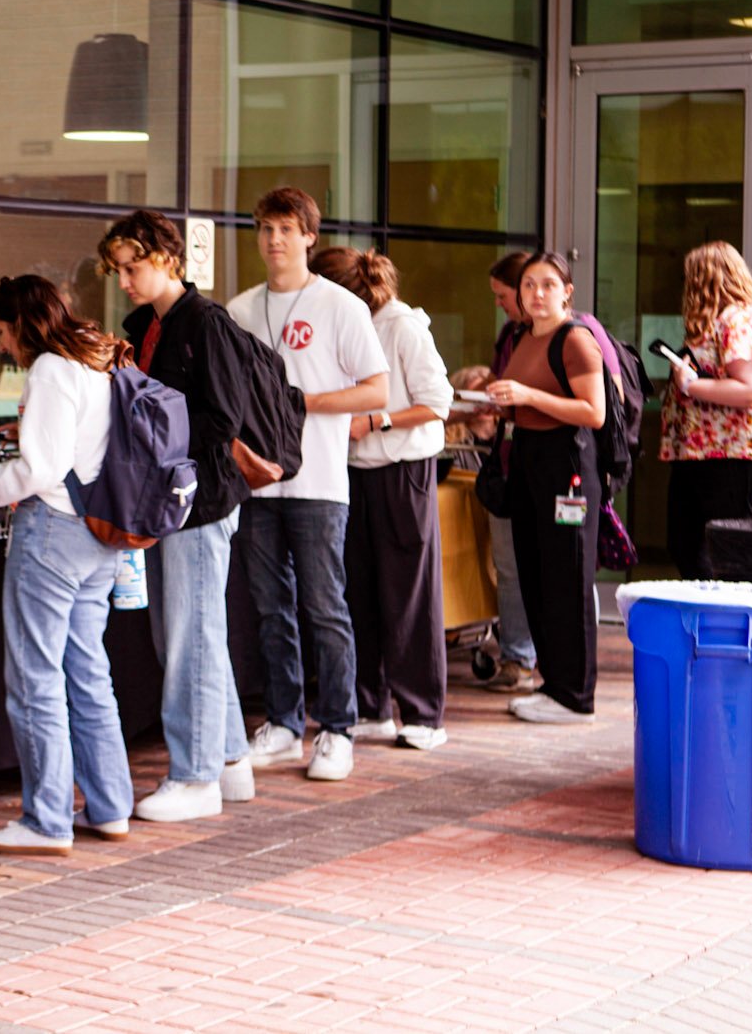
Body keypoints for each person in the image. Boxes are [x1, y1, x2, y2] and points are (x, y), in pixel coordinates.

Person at [0, 275, 134, 855]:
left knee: (35, 678)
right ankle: (109, 807)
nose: (2, 345)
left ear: (22, 325)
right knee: (88, 672)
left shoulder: (51, 370)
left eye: (3, 331)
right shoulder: (94, 359)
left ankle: (47, 820)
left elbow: (40, 470)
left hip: (52, 535)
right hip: (97, 537)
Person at [99, 210, 261, 822]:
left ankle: (196, 776)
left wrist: (149, 423)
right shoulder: (143, 324)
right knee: (190, 632)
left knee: (189, 633)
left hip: (199, 498)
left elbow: (222, 419)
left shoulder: (206, 323)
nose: (124, 280)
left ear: (167, 258)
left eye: (132, 267)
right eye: (118, 269)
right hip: (168, 496)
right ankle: (228, 759)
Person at [223, 189, 388, 784]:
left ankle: (337, 729)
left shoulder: (339, 306)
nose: (274, 240)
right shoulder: (240, 310)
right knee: (270, 609)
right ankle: (286, 723)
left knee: (324, 608)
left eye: (287, 229)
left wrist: (301, 404)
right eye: (265, 228)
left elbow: (377, 391)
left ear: (310, 237)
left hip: (320, 481)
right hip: (259, 486)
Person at [314, 247, 453, 751]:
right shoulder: (344, 325)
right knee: (359, 591)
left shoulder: (401, 325)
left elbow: (438, 402)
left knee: (409, 594)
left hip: (403, 471)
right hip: (351, 472)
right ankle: (369, 706)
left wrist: (375, 420)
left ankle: (423, 714)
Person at [484, 252, 607, 724]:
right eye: (528, 285)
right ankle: (553, 684)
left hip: (568, 465)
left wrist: (527, 396)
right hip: (530, 458)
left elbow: (592, 412)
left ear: (567, 291)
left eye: (547, 285)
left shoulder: (575, 339)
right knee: (535, 573)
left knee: (568, 577)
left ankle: (576, 695)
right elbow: (526, 402)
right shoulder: (522, 337)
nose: (536, 294)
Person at [662, 241, 752, 579]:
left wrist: (691, 385)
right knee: (686, 543)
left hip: (733, 453)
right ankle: (707, 618)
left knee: (723, 550)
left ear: (706, 279)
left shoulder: (741, 320)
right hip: (703, 452)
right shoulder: (718, 323)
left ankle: (727, 625)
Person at [480, 250, 538, 693]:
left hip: (548, 467)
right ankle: (518, 657)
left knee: (555, 564)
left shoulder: (566, 336)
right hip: (506, 461)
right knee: (509, 564)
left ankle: (551, 659)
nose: (500, 304)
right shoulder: (509, 335)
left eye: (503, 296)